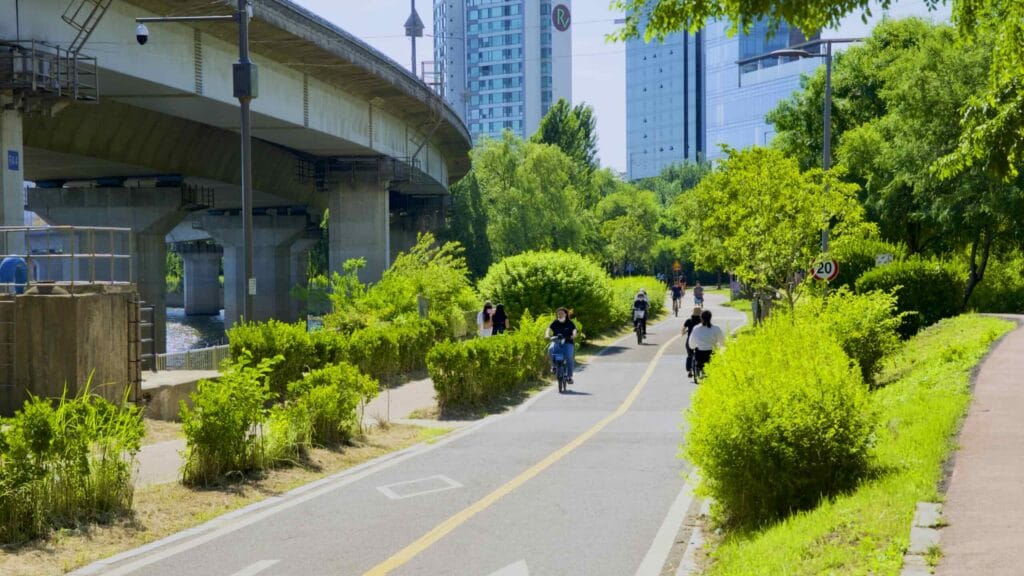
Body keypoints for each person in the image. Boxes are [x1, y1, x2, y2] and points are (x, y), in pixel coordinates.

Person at [688, 310, 725, 380]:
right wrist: (720, 348)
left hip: (700, 355)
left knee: (698, 359)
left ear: (701, 318)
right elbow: (722, 342)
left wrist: (694, 346)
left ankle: (701, 372)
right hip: (712, 353)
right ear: (710, 318)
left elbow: (691, 344)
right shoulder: (716, 329)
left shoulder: (696, 328)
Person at [546, 307, 578, 383]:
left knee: (569, 357)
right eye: (558, 313)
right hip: (556, 341)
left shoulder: (570, 323)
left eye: (561, 313)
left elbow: (574, 330)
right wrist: (547, 334)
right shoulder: (555, 322)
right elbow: (549, 329)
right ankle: (553, 366)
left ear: (566, 314)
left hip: (568, 342)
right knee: (550, 349)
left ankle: (569, 377)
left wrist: (574, 335)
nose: (560, 315)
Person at [682, 306, 702, 377]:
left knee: (689, 355)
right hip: (700, 341)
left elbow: (683, 330)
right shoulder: (702, 321)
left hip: (690, 341)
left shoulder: (688, 320)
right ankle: (701, 369)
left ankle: (690, 370)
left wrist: (684, 333)